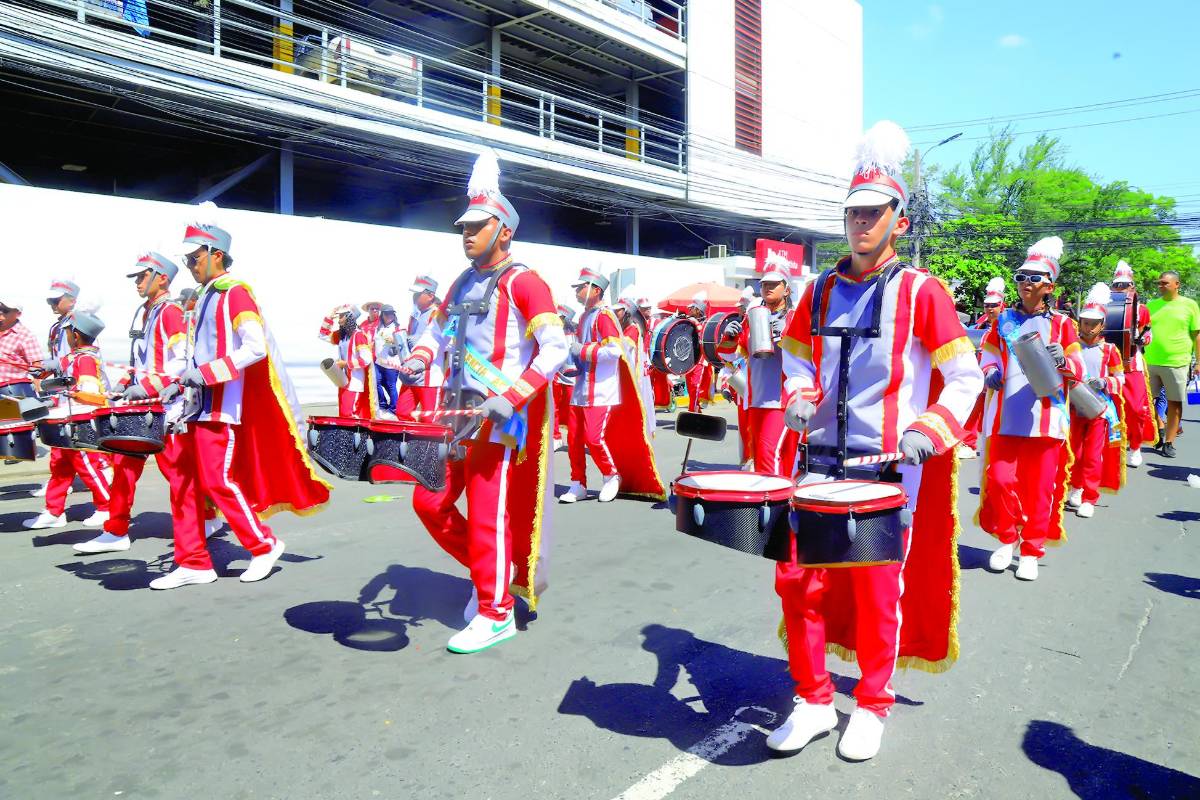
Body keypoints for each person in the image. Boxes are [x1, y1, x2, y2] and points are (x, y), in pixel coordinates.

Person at [771, 121, 983, 762]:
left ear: (898, 219)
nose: (861, 222)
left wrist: (929, 429)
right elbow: (796, 360)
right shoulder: (816, 291)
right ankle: (813, 699)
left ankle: (871, 705)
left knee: (876, 592)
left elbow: (965, 376)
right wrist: (798, 394)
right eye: (853, 213)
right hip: (816, 463)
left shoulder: (922, 292)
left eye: (873, 212)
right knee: (797, 582)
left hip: (889, 469)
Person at [403, 151, 569, 654]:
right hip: (453, 414)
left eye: (478, 226)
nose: (467, 234)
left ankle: (496, 612)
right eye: (465, 227)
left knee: (487, 515)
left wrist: (512, 396)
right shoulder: (460, 282)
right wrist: (419, 357)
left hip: (500, 418)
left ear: (505, 231)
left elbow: (555, 349)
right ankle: (491, 575)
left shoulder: (525, 281)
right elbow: (437, 331)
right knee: (428, 501)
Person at [149, 205, 331, 590]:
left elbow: (255, 348)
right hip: (193, 407)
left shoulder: (235, 292)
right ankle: (193, 562)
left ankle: (264, 544)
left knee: (217, 481)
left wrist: (206, 373)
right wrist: (168, 382)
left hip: (220, 408)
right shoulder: (201, 298)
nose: (190, 265)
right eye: (188, 259)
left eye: (195, 258)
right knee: (183, 484)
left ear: (216, 254)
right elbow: (190, 356)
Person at [978, 236, 1085, 581]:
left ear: (1049, 286)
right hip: (1007, 415)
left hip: (1046, 418)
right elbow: (988, 355)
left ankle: (1031, 549)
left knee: (1039, 490)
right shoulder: (1003, 320)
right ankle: (1007, 538)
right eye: (1021, 276)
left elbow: (1078, 369)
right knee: (1000, 480)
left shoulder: (1063, 324)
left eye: (1034, 278)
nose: (1025, 282)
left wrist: (1063, 360)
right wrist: (990, 371)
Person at [74, 252, 193, 554]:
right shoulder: (147, 312)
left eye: (142, 276)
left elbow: (181, 360)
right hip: (145, 405)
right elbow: (140, 359)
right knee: (124, 465)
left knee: (178, 475)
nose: (137, 282)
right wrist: (126, 384)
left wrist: (148, 387)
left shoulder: (170, 312)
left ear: (161, 278)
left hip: (168, 407)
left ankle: (202, 525)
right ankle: (115, 530)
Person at [558, 267, 664, 504]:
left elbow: (615, 351)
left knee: (594, 438)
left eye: (580, 287)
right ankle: (578, 483)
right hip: (580, 387)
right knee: (573, 439)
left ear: (595, 290)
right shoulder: (583, 317)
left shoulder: (604, 316)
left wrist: (582, 351)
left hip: (601, 390)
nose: (577, 291)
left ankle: (610, 475)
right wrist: (573, 362)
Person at [22, 311, 113, 530]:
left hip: (81, 421)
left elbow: (88, 393)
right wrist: (44, 378)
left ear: (76, 335)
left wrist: (59, 394)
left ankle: (107, 507)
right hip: (66, 418)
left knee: (88, 466)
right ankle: (54, 511)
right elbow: (58, 373)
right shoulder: (74, 357)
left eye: (68, 333)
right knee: (60, 466)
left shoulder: (86, 359)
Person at [719, 257, 798, 476]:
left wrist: (784, 335)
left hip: (781, 401)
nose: (768, 288)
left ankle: (773, 496)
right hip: (755, 400)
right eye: (764, 284)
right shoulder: (751, 317)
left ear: (787, 289)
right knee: (762, 456)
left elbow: (807, 357)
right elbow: (727, 356)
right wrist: (729, 336)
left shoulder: (795, 317)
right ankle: (777, 495)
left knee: (770, 455)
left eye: (774, 284)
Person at [1066, 284, 1125, 519]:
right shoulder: (1071, 347)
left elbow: (1120, 379)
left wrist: (1104, 382)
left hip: (1099, 410)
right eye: (1085, 322)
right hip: (1074, 407)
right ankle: (1075, 486)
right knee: (1075, 452)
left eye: (1093, 323)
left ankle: (1090, 496)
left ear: (1102, 325)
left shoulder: (1110, 350)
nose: (1088, 327)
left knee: (1092, 455)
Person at [1143, 270, 1200, 459]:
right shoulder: (1151, 306)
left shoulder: (1190, 305)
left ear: (1177, 284)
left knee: (1175, 403)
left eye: (1164, 283)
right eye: (1159, 283)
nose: (1160, 286)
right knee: (1145, 402)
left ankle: (1169, 442)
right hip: (1150, 362)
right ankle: (1160, 427)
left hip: (1177, 363)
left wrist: (1198, 362)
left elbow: (1197, 335)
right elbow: (1142, 332)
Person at [1110, 260, 1155, 467]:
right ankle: (1109, 448)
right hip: (1108, 363)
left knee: (1136, 409)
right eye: (1116, 285)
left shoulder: (1141, 309)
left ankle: (1135, 447)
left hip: (1132, 364)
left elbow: (1149, 333)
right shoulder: (1104, 305)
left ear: (1132, 287)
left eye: (1124, 285)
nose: (1120, 288)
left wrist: (1142, 339)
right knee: (1107, 408)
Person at [395, 275, 444, 418]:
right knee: (402, 413)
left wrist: (415, 340)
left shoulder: (439, 314)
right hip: (410, 372)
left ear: (430, 296)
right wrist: (398, 345)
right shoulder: (415, 316)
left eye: (418, 294)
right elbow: (410, 337)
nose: (414, 297)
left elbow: (445, 341)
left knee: (430, 418)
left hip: (430, 374)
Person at [333, 305, 375, 419]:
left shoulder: (358, 335)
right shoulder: (342, 336)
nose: (339, 319)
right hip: (342, 380)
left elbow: (366, 359)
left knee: (350, 415)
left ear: (349, 317)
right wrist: (330, 316)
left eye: (341, 316)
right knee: (343, 415)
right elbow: (323, 335)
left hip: (355, 381)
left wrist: (346, 363)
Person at [0, 299, 46, 399]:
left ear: (18, 314)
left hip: (14, 389)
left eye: (5, 310)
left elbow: (37, 367)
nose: (1, 313)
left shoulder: (25, 335)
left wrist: (40, 391)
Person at [552, 304, 578, 450]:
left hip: (571, 375)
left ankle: (575, 438)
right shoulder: (552, 330)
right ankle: (555, 436)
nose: (559, 320)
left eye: (562, 317)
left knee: (572, 409)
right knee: (553, 406)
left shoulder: (575, 331)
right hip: (555, 372)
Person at [683, 294, 712, 412]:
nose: (689, 310)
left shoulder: (707, 323)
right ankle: (695, 410)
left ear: (698, 311)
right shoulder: (688, 321)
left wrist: (696, 323)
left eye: (692, 308)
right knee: (690, 385)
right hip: (689, 358)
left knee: (696, 385)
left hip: (700, 359)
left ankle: (693, 410)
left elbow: (703, 338)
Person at [373, 304, 402, 416]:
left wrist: (394, 341)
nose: (389, 315)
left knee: (391, 385)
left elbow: (404, 343)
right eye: (387, 313)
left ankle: (394, 408)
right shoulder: (378, 327)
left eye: (391, 313)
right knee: (376, 382)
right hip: (379, 362)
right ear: (382, 315)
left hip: (391, 363)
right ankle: (383, 404)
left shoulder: (397, 327)